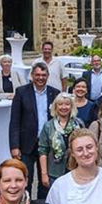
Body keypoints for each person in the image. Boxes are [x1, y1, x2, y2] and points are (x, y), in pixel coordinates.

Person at [10, 63, 60, 194]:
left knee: (45, 181)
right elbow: (14, 121)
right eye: (37, 75)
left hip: (47, 144)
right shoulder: (21, 92)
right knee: (25, 179)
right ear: (32, 76)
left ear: (48, 76)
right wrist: (14, 146)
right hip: (26, 144)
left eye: (44, 75)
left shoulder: (54, 93)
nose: (40, 78)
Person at [37, 93, 82, 192]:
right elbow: (43, 151)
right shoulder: (48, 126)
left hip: (75, 171)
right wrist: (44, 174)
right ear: (55, 107)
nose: (64, 107)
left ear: (72, 106)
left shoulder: (78, 124)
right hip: (55, 172)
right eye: (60, 104)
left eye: (67, 104)